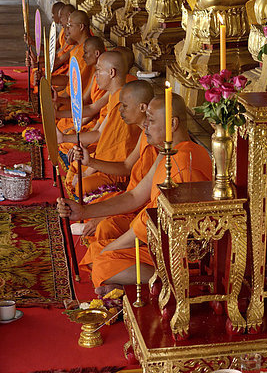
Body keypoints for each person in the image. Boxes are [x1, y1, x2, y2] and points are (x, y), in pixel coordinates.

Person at [57, 93, 212, 292]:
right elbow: (135, 195)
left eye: (151, 120)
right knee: (98, 252)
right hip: (155, 235)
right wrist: (83, 212)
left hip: (181, 252)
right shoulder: (167, 152)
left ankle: (180, 284)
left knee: (103, 262)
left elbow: (154, 225)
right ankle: (126, 281)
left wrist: (111, 250)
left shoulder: (183, 164)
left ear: (173, 124)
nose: (145, 125)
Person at [69, 79, 156, 238]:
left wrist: (107, 215)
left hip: (145, 206)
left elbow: (146, 196)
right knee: (96, 206)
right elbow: (126, 166)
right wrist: (90, 162)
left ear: (142, 107)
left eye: (125, 106)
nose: (120, 111)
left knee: (106, 228)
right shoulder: (146, 134)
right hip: (133, 195)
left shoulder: (157, 141)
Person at [59, 51, 141, 195]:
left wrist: (89, 170)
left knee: (80, 186)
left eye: (98, 70)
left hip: (115, 170)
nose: (95, 74)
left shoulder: (125, 104)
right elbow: (100, 133)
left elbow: (116, 153)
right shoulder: (115, 95)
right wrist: (64, 137)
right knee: (74, 168)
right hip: (102, 160)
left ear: (111, 72)